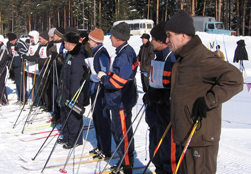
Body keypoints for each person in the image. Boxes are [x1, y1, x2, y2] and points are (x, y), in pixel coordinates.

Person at [164, 10, 244, 174]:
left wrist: (209, 101)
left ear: (183, 36)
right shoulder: (184, 58)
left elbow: (235, 78)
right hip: (187, 134)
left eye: (169, 35)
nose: (166, 40)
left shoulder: (200, 57)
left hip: (200, 136)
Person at [98, 22, 139, 174]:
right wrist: (108, 76)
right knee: (120, 132)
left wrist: (104, 79)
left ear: (118, 38)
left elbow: (118, 81)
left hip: (120, 100)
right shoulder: (123, 51)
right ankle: (124, 161)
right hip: (119, 99)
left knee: (122, 133)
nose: (110, 39)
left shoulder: (124, 54)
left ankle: (126, 165)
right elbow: (121, 75)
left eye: (112, 36)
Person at [143, 22, 180, 174]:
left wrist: (162, 97)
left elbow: (175, 90)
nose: (151, 42)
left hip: (166, 116)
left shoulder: (172, 60)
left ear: (162, 40)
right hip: (155, 115)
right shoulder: (158, 57)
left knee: (167, 152)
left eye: (153, 38)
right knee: (156, 151)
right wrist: (150, 95)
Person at [57, 31, 88, 149]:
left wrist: (74, 95)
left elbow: (77, 78)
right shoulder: (69, 54)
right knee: (64, 113)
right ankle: (66, 135)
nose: (63, 44)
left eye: (65, 42)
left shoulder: (78, 57)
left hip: (73, 92)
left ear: (69, 43)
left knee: (72, 117)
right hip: (65, 89)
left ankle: (75, 139)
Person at [86, 29, 112, 159]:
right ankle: (100, 145)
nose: (88, 41)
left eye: (90, 39)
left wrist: (93, 77)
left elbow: (104, 73)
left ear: (96, 40)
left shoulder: (102, 53)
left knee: (103, 120)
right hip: (94, 90)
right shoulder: (95, 52)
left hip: (100, 91)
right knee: (96, 119)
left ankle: (106, 149)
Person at [7, 32, 28, 104]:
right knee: (17, 83)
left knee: (22, 82)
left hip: (21, 65)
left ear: (15, 39)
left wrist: (19, 50)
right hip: (15, 65)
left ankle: (24, 98)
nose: (11, 42)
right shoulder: (11, 44)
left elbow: (26, 51)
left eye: (12, 40)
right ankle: (20, 97)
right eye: (10, 41)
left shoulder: (20, 43)